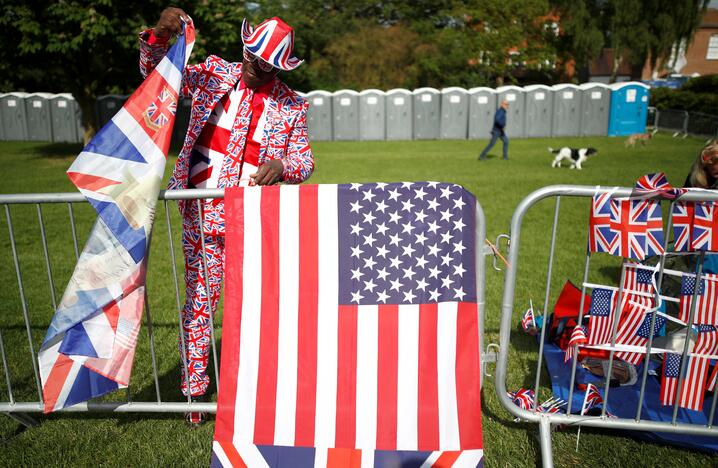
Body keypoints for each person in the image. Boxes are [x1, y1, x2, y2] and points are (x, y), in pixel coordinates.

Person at [139, 7, 314, 426]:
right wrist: (160, 38)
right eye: (252, 58)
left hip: (255, 223)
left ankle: (258, 391)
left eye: (267, 66)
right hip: (201, 215)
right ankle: (195, 395)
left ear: (280, 68)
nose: (256, 69)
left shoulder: (292, 106)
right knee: (199, 304)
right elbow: (157, 82)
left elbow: (305, 161)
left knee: (258, 308)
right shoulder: (214, 74)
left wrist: (284, 167)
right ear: (245, 49)